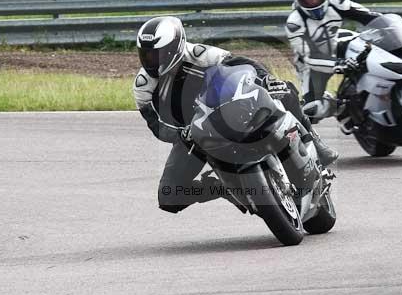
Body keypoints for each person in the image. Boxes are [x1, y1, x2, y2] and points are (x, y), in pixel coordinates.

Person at [133, 16, 338, 214]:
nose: (150, 61)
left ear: (174, 48)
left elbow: (240, 63)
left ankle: (316, 143)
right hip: (190, 135)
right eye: (146, 54)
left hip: (225, 109)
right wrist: (180, 135)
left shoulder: (198, 54)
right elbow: (155, 126)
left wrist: (266, 79)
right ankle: (223, 187)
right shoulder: (143, 87)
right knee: (169, 196)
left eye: (156, 54)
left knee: (285, 89)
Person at [285, 0, 382, 122]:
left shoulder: (338, 3)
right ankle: (340, 106)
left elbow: (371, 17)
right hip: (312, 66)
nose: (313, 1)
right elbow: (310, 57)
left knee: (372, 51)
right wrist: (340, 64)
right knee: (313, 110)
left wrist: (400, 26)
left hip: (337, 44)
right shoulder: (295, 22)